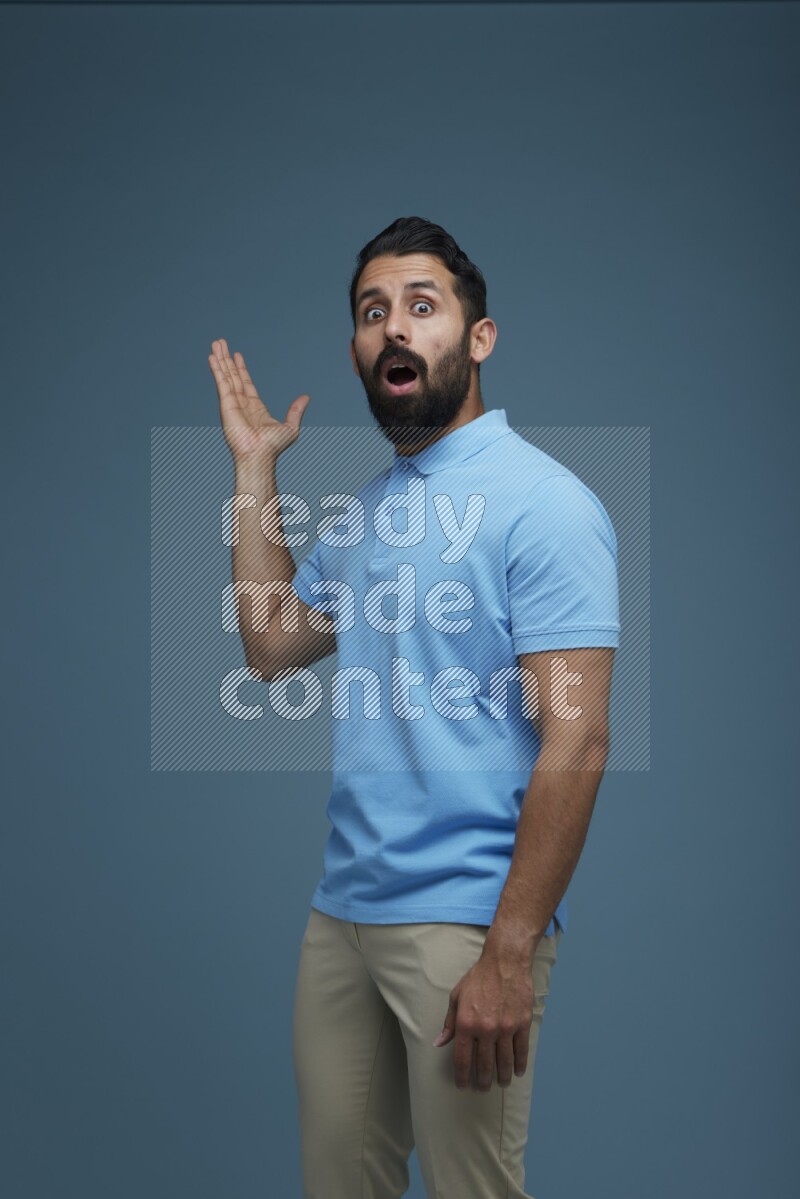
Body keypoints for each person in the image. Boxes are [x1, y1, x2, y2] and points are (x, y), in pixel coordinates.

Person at [208, 216, 620, 1199]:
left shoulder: (543, 504)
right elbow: (268, 644)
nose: (395, 326)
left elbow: (579, 737)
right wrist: (255, 469)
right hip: (342, 915)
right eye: (372, 311)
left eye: (422, 307)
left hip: (466, 925)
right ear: (358, 347)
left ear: (476, 339)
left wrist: (507, 949)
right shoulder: (367, 512)